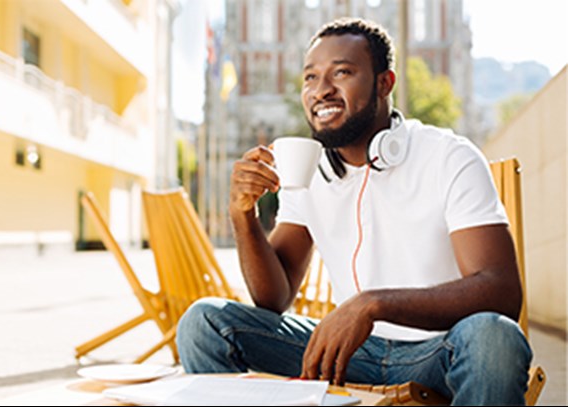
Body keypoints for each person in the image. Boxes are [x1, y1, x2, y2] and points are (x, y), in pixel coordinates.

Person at [176, 17, 532, 405]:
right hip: (347, 355)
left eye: (342, 72)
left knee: (494, 337)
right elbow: (273, 298)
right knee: (204, 322)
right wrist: (242, 216)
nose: (321, 91)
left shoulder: (450, 156)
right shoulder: (309, 171)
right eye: (310, 78)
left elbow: (501, 291)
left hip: (436, 354)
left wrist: (372, 304)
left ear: (385, 83)